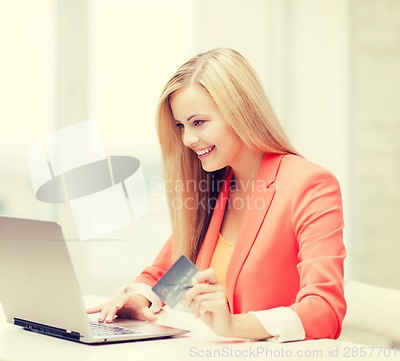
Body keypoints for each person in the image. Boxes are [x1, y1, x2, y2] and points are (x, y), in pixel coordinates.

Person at [87, 48, 346, 342]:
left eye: (198, 122)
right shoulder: (216, 188)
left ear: (241, 112)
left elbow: (325, 311)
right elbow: (168, 277)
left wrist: (233, 326)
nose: (187, 139)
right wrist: (139, 299)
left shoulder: (310, 185)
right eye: (180, 126)